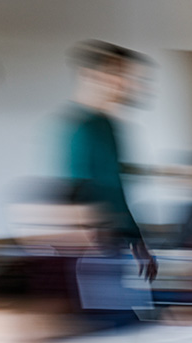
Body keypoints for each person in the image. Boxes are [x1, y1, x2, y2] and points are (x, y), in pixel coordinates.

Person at [58, 40, 157, 281]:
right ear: (89, 75)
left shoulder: (107, 125)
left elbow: (116, 189)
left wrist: (137, 241)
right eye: (117, 74)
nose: (125, 84)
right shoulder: (81, 128)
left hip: (113, 244)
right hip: (92, 248)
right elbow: (77, 192)